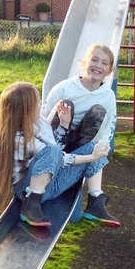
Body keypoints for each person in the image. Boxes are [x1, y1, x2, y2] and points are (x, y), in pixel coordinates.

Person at [0, 81, 110, 227]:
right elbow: (59, 157)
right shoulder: (15, 138)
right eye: (38, 102)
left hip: (50, 181)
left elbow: (55, 151)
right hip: (27, 189)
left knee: (93, 146)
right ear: (26, 110)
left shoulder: (37, 122)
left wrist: (64, 125)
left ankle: (95, 200)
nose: (41, 104)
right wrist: (92, 158)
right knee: (86, 153)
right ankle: (31, 204)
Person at [42, 43, 120, 226]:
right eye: (94, 60)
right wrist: (63, 124)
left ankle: (95, 200)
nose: (98, 65)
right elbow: (44, 119)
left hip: (80, 145)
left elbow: (108, 126)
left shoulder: (107, 95)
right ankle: (60, 156)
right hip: (54, 141)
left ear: (109, 71)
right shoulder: (65, 88)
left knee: (98, 118)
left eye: (104, 63)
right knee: (67, 103)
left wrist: (100, 149)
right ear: (84, 62)